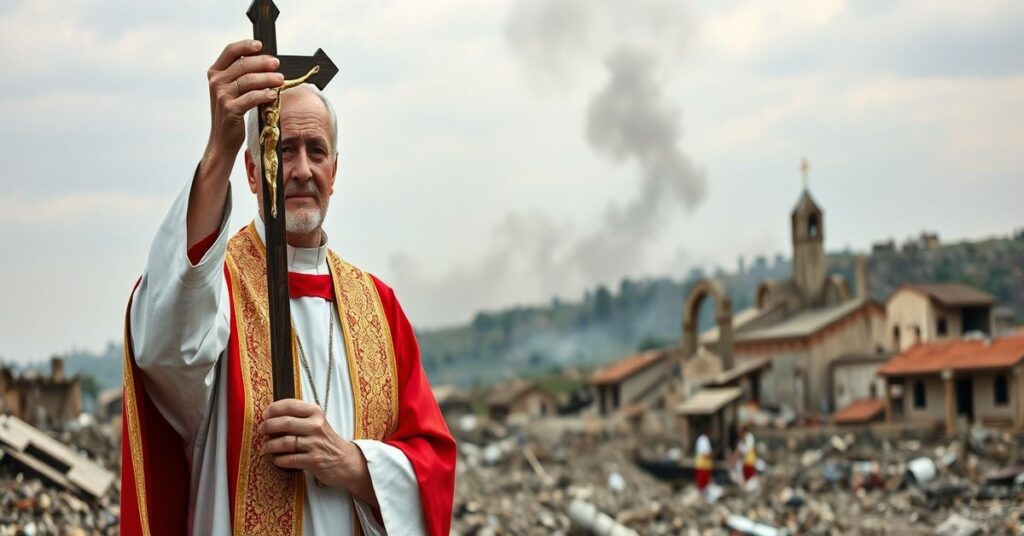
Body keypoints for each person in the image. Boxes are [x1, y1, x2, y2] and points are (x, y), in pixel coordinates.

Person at [119, 39, 456, 535]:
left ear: (334, 172)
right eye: (283, 149)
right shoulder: (215, 286)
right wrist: (220, 148)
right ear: (253, 171)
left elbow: (434, 464)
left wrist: (351, 462)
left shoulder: (379, 307)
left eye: (316, 151)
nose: (300, 169)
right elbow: (166, 347)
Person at [693, 428, 713, 492]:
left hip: (705, 464)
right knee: (702, 482)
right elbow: (705, 453)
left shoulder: (703, 439)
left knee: (705, 481)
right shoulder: (703, 440)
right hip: (703, 464)